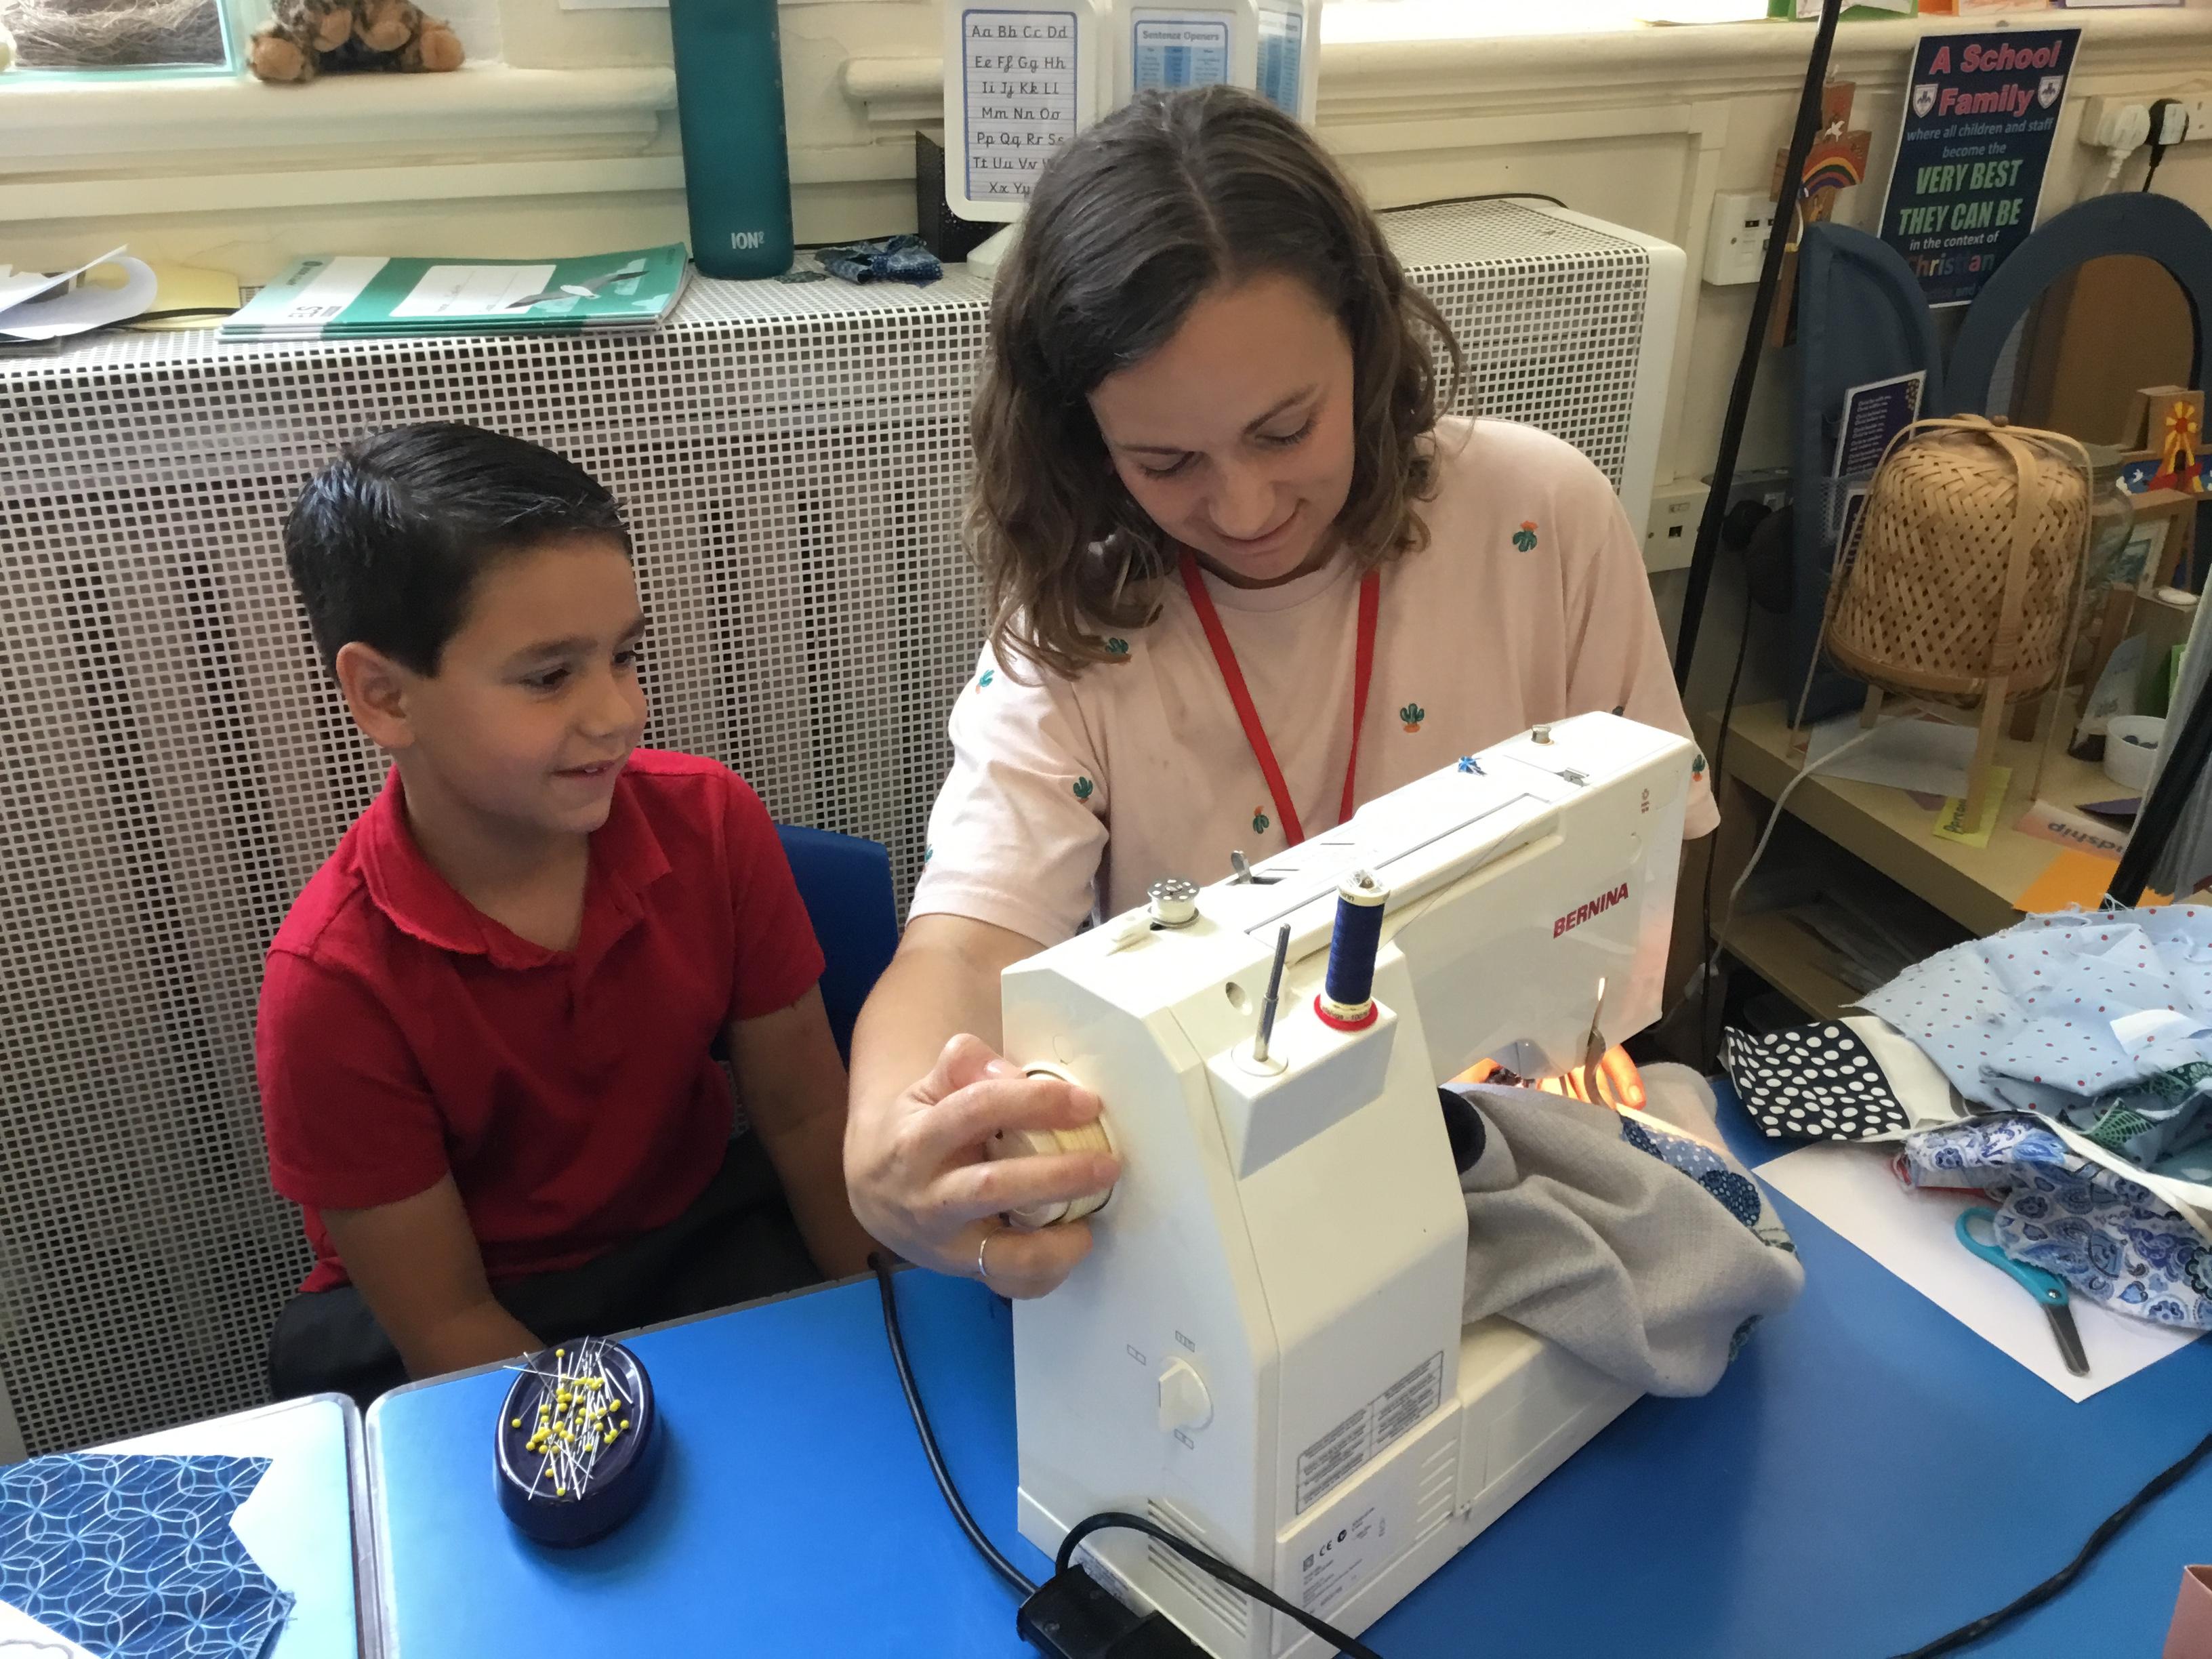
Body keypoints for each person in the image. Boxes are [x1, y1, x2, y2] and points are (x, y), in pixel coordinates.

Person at [844, 85, 1717, 1300]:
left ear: (1365, 342)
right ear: (1085, 438)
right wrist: (890, 1141)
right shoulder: (1074, 631)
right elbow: (966, 938)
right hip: (1235, 1201)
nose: (1245, 509)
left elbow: (1664, 842)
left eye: (1286, 429)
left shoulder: (1541, 520)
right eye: (1166, 461)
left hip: (1510, 1134)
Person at [259, 422, 875, 1407]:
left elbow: (806, 1117)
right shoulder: (332, 984)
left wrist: (895, 1333)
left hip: (695, 1239)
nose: (619, 713)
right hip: (480, 1318)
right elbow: (446, 1320)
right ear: (383, 697)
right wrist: (622, 1452)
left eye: (625, 656)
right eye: (550, 677)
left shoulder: (711, 822)